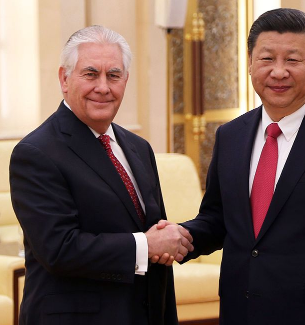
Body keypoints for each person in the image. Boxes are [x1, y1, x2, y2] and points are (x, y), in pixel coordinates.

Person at [155, 8, 305, 325]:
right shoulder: (231, 136)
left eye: (293, 60)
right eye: (267, 59)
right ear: (251, 63)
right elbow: (219, 218)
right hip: (241, 310)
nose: (279, 72)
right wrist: (181, 235)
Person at [10, 25, 192, 325]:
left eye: (114, 75)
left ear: (126, 80)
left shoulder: (138, 148)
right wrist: (145, 246)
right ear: (64, 79)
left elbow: (153, 235)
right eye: (91, 74)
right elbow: (59, 249)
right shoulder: (36, 153)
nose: (103, 87)